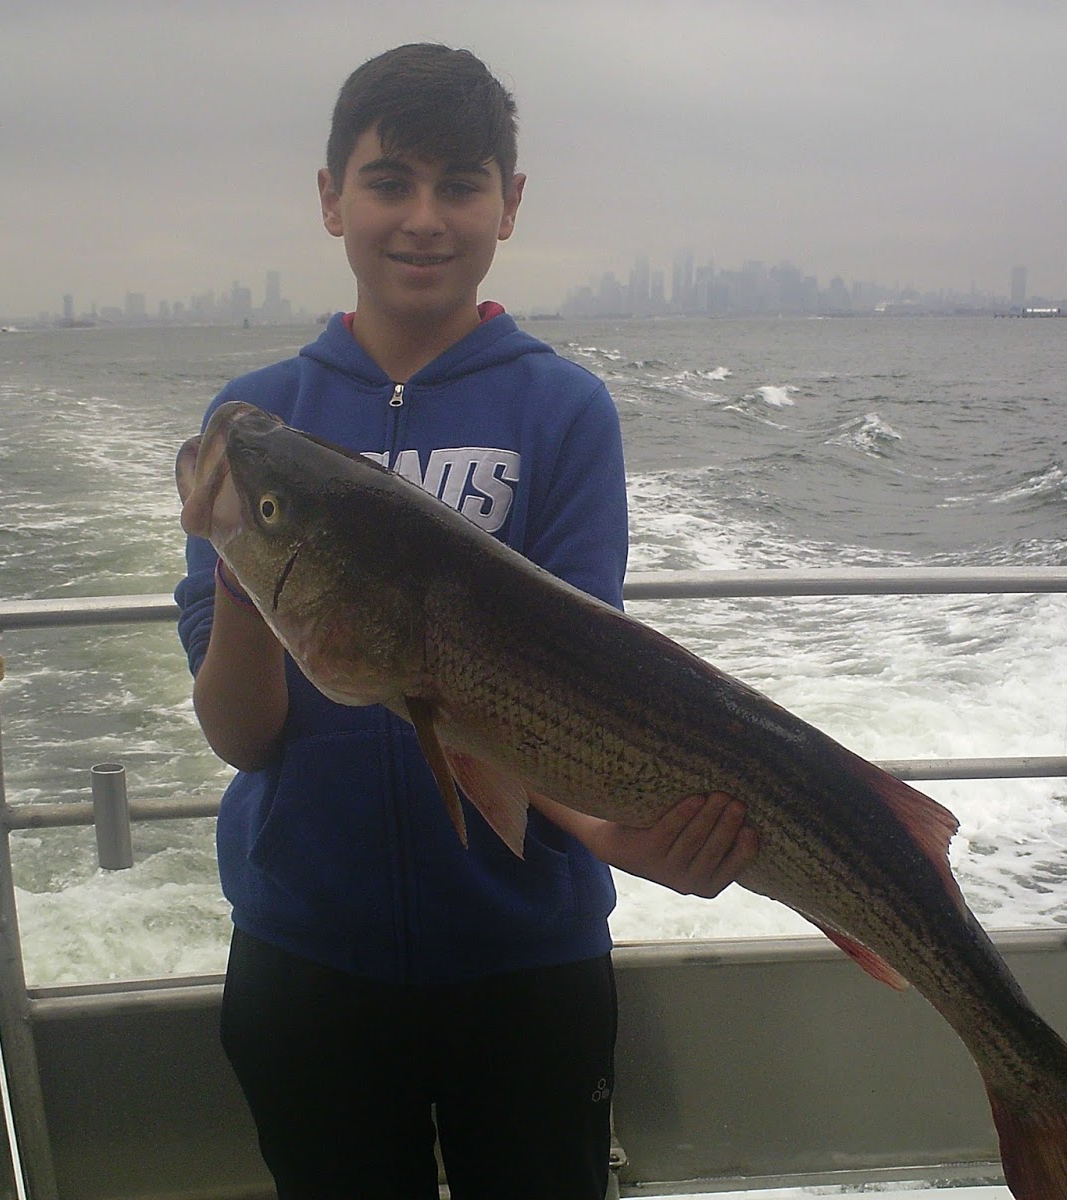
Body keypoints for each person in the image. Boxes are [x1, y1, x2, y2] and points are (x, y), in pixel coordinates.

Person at [174, 43, 758, 1200]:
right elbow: (243, 736)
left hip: (523, 957)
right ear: (331, 197)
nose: (424, 219)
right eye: (390, 182)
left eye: (460, 184)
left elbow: (576, 688)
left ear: (510, 203)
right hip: (306, 949)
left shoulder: (561, 409)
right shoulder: (260, 430)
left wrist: (611, 833)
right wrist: (243, 576)